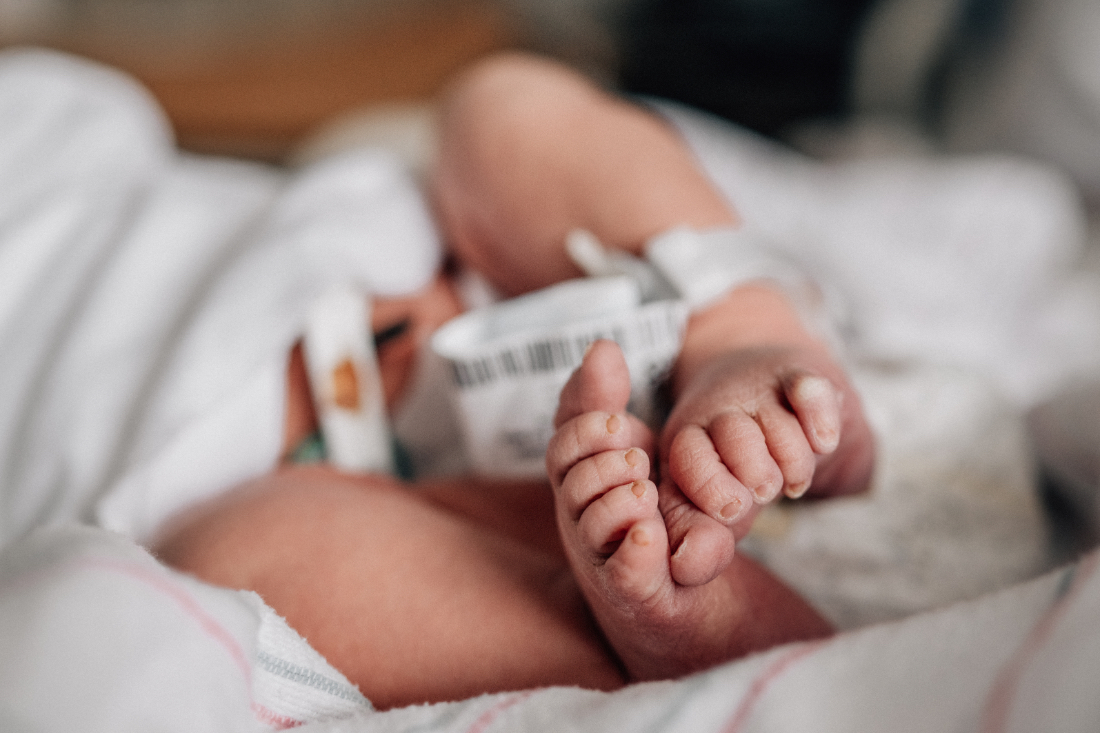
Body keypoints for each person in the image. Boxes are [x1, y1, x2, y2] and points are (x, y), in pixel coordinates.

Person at [153, 52, 875, 710]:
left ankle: (741, 326)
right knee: (226, 575)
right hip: (249, 483)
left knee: (496, 111)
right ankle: (669, 616)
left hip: (444, 276)